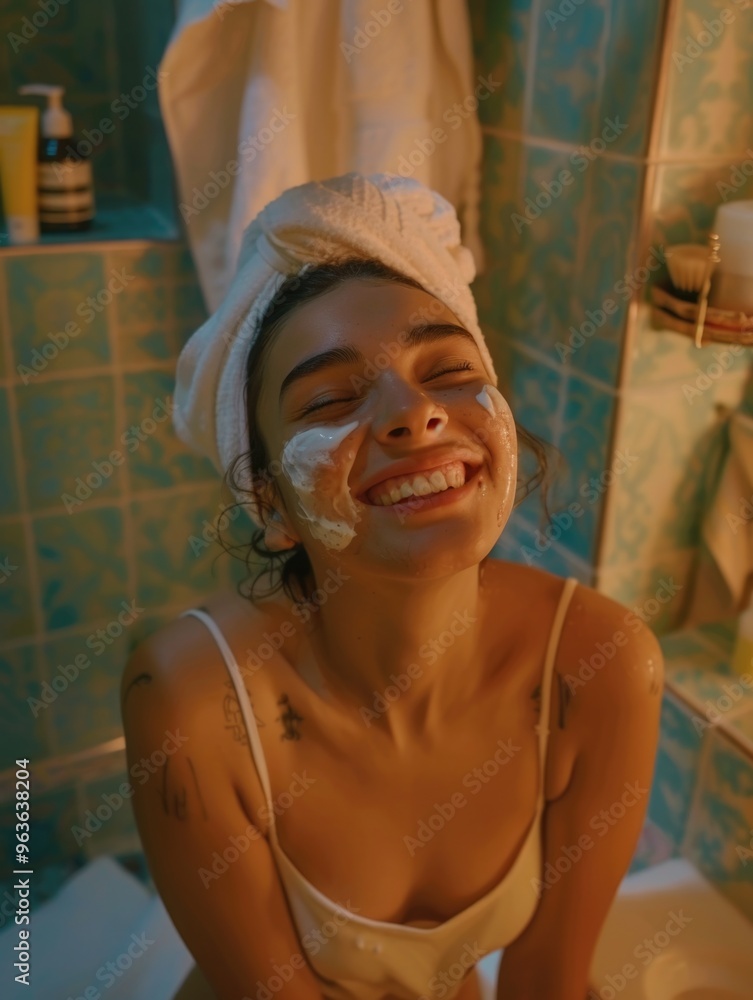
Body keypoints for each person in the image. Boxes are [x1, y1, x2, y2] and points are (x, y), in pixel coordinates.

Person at [120, 173, 664, 1000]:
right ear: (271, 505)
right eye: (332, 398)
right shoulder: (193, 702)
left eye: (446, 370)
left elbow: (549, 980)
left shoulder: (601, 665)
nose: (414, 414)